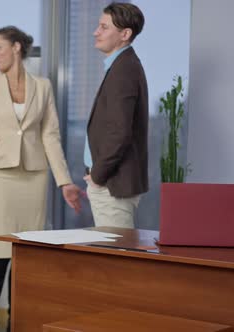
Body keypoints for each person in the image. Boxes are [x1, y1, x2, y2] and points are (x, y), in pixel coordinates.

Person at [0, 26, 83, 332]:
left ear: (16, 47)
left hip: (35, 176)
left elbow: (50, 136)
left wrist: (64, 181)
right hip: (1, 177)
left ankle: (20, 320)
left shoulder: (42, 86)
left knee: (26, 254)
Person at [83, 2, 149, 229]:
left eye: (104, 27)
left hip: (112, 184)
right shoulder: (121, 65)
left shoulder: (124, 69)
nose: (96, 32)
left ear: (125, 34)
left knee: (114, 257)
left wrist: (98, 175)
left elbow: (119, 131)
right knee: (112, 255)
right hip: (110, 182)